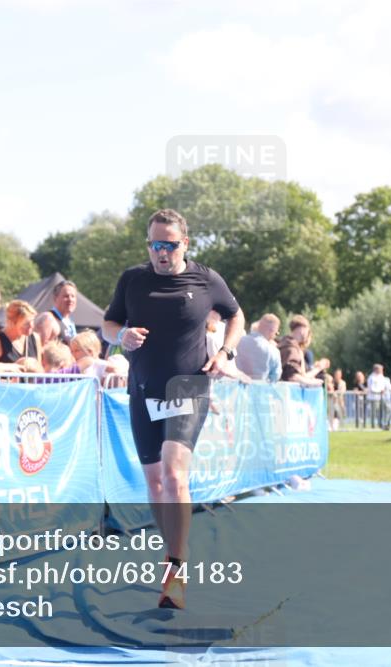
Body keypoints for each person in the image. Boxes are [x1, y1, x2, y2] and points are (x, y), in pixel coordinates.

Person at [102, 208, 245, 610]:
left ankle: (176, 571)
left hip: (188, 384)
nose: (161, 253)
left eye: (169, 245)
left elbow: (236, 315)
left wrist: (226, 352)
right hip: (143, 386)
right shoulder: (132, 279)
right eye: (155, 245)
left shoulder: (206, 279)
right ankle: (172, 553)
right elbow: (108, 325)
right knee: (154, 484)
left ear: (185, 243)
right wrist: (122, 335)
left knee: (173, 472)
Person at [0, 300, 41, 365]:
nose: (31, 326)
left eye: (32, 321)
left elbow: (39, 369)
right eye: (26, 324)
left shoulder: (35, 338)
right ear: (12, 323)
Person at [235, 313, 281, 382]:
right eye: (276, 333)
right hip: (259, 390)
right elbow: (275, 377)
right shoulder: (273, 351)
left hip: (234, 388)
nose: (275, 336)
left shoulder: (237, 341)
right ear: (272, 331)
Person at [367, 364, 391, 430]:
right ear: (376, 369)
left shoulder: (382, 377)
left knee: (388, 409)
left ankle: (384, 424)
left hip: (382, 397)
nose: (382, 370)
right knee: (375, 412)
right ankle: (374, 425)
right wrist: (379, 391)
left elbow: (387, 385)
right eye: (381, 369)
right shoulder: (371, 377)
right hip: (374, 398)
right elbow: (371, 388)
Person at [51, 279, 78, 343]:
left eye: (73, 296)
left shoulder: (70, 322)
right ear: (55, 298)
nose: (70, 299)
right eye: (66, 296)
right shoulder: (49, 319)